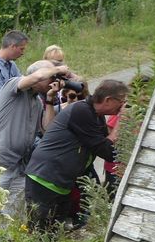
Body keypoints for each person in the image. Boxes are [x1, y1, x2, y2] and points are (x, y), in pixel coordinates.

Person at [0, 61, 65, 232]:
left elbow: (47, 130)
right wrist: (59, 69)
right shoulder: (12, 86)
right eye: (51, 77)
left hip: (21, 167)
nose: (54, 81)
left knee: (10, 217)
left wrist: (50, 100)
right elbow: (37, 76)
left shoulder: (37, 102)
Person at [25, 80, 127, 230]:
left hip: (60, 181)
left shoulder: (95, 116)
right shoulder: (81, 111)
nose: (122, 107)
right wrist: (122, 120)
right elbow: (107, 150)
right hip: (44, 178)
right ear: (108, 100)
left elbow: (110, 152)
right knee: (38, 230)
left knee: (56, 231)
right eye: (121, 101)